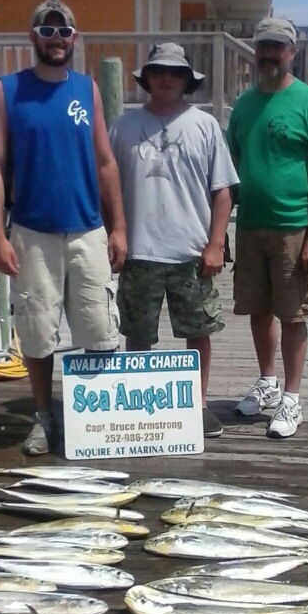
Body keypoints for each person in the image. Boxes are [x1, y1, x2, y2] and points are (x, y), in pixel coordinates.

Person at [0, 0, 127, 455]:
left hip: (87, 230)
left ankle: (96, 420)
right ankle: (43, 416)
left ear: (74, 38)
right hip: (32, 233)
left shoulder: (88, 90)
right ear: (33, 37)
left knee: (99, 331)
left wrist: (119, 226)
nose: (57, 39)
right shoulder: (7, 90)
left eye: (64, 31)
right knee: (38, 333)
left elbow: (106, 163)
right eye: (47, 31)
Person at [109, 42, 239, 439]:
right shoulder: (121, 126)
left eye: (175, 72)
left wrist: (216, 244)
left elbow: (223, 190)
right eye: (159, 71)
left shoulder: (205, 125)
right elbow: (107, 185)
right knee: (138, 333)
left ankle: (198, 404)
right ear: (146, 78)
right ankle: (138, 401)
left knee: (198, 331)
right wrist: (114, 233)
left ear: (186, 80)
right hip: (139, 252)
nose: (166, 78)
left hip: (191, 253)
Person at [226, 17, 308, 439]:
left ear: (292, 53)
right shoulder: (243, 105)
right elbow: (232, 168)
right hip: (250, 225)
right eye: (263, 46)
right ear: (255, 52)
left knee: (293, 313)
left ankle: (292, 398)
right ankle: (268, 383)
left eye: (278, 46)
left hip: (295, 229)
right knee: (257, 309)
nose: (270, 53)